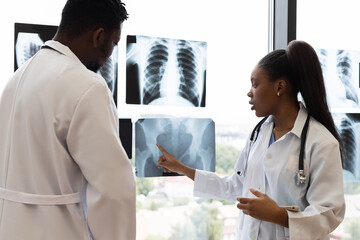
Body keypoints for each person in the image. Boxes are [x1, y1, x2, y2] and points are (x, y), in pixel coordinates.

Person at [157, 40, 346, 239]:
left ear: (280, 86)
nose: (249, 92)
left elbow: (329, 214)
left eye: (255, 84)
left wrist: (280, 216)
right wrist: (184, 169)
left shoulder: (321, 143)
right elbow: (236, 186)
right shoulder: (259, 133)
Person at [0, 0, 136, 239]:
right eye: (113, 43)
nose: (109, 56)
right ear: (99, 36)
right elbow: (113, 191)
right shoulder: (87, 86)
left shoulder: (16, 80)